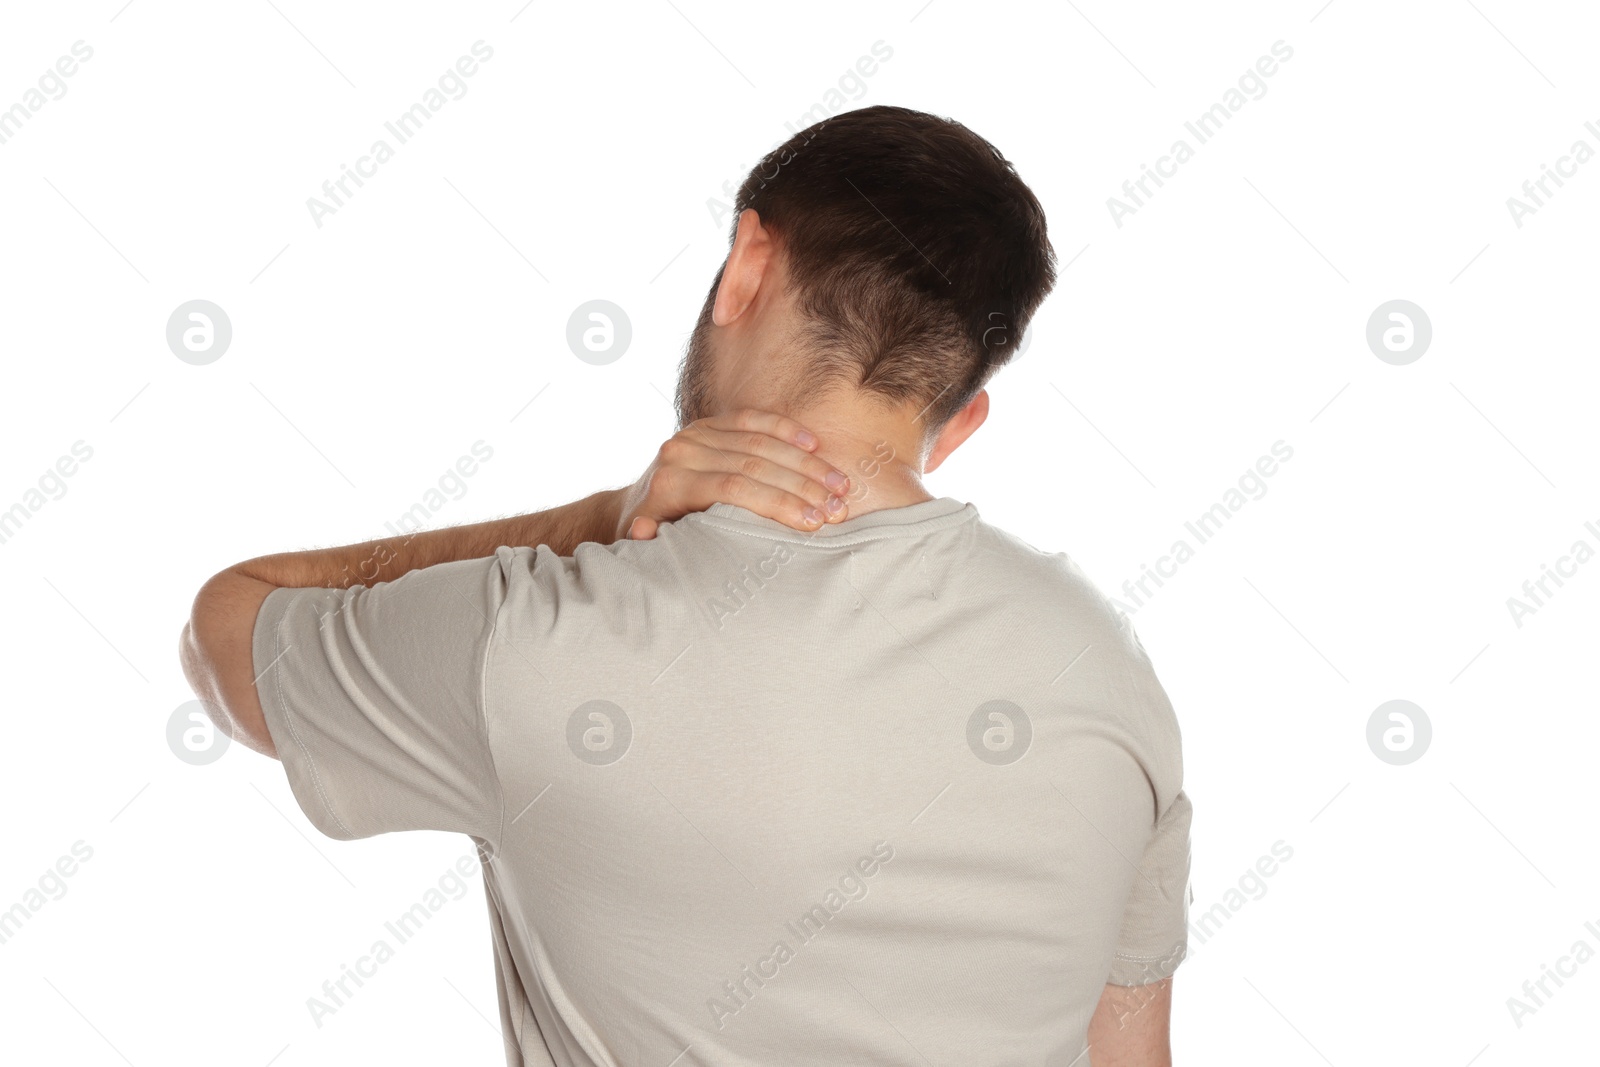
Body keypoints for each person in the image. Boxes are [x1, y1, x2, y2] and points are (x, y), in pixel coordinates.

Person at [180, 105, 1192, 1066]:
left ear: (749, 263)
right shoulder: (1105, 665)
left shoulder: (536, 638)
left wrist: (591, 525)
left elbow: (229, 629)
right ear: (960, 419)